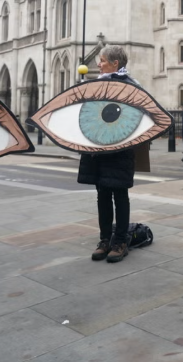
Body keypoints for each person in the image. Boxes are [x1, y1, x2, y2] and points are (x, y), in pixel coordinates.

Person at [78, 45, 138, 263]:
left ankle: (120, 242)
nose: (99, 64)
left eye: (102, 60)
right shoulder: (95, 85)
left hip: (120, 151)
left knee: (120, 195)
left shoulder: (131, 86)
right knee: (102, 194)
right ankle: (105, 240)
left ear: (115, 63)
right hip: (98, 150)